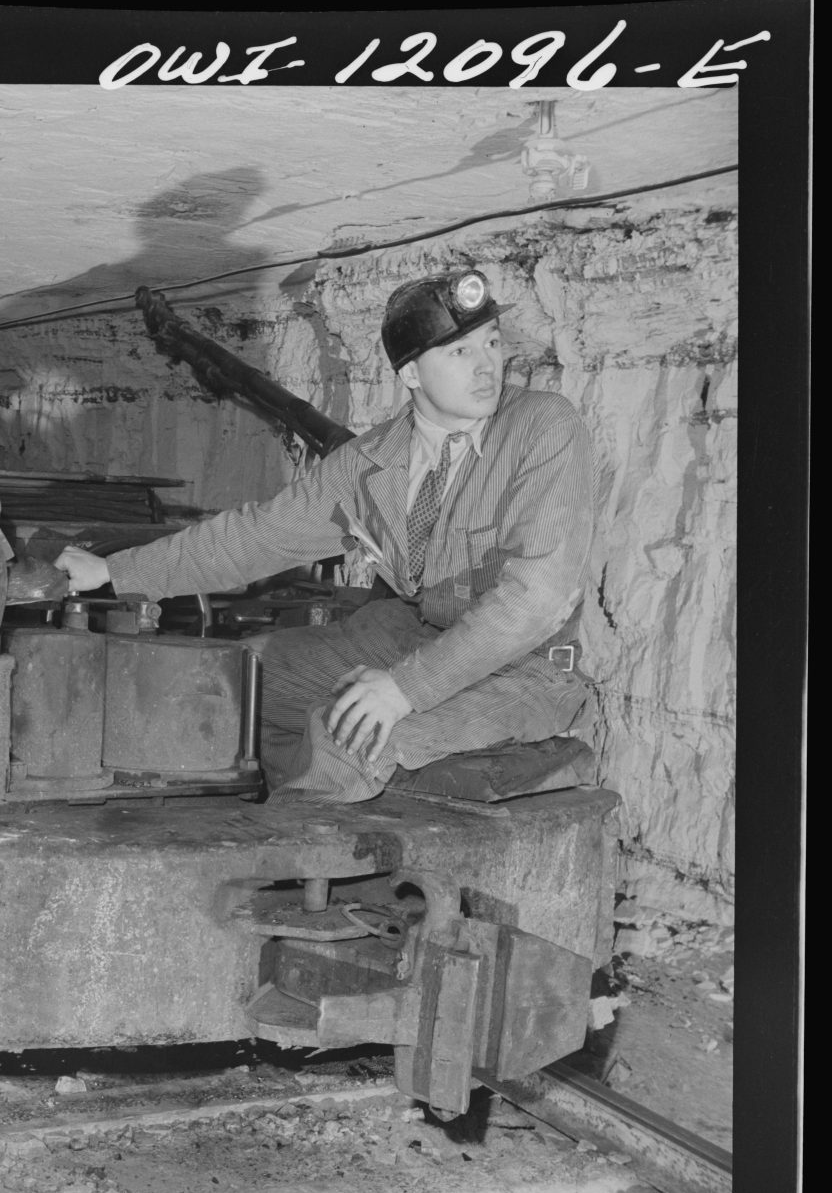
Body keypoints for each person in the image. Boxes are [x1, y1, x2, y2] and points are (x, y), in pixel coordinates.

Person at [55, 267, 594, 804]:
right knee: (240, 678)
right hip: (414, 634)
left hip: (525, 663)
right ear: (410, 375)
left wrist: (405, 689)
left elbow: (534, 600)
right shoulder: (374, 460)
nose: (487, 366)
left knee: (353, 736)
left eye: (493, 342)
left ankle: (289, 856)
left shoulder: (542, 427)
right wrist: (117, 571)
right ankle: (287, 810)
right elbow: (261, 536)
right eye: (459, 353)